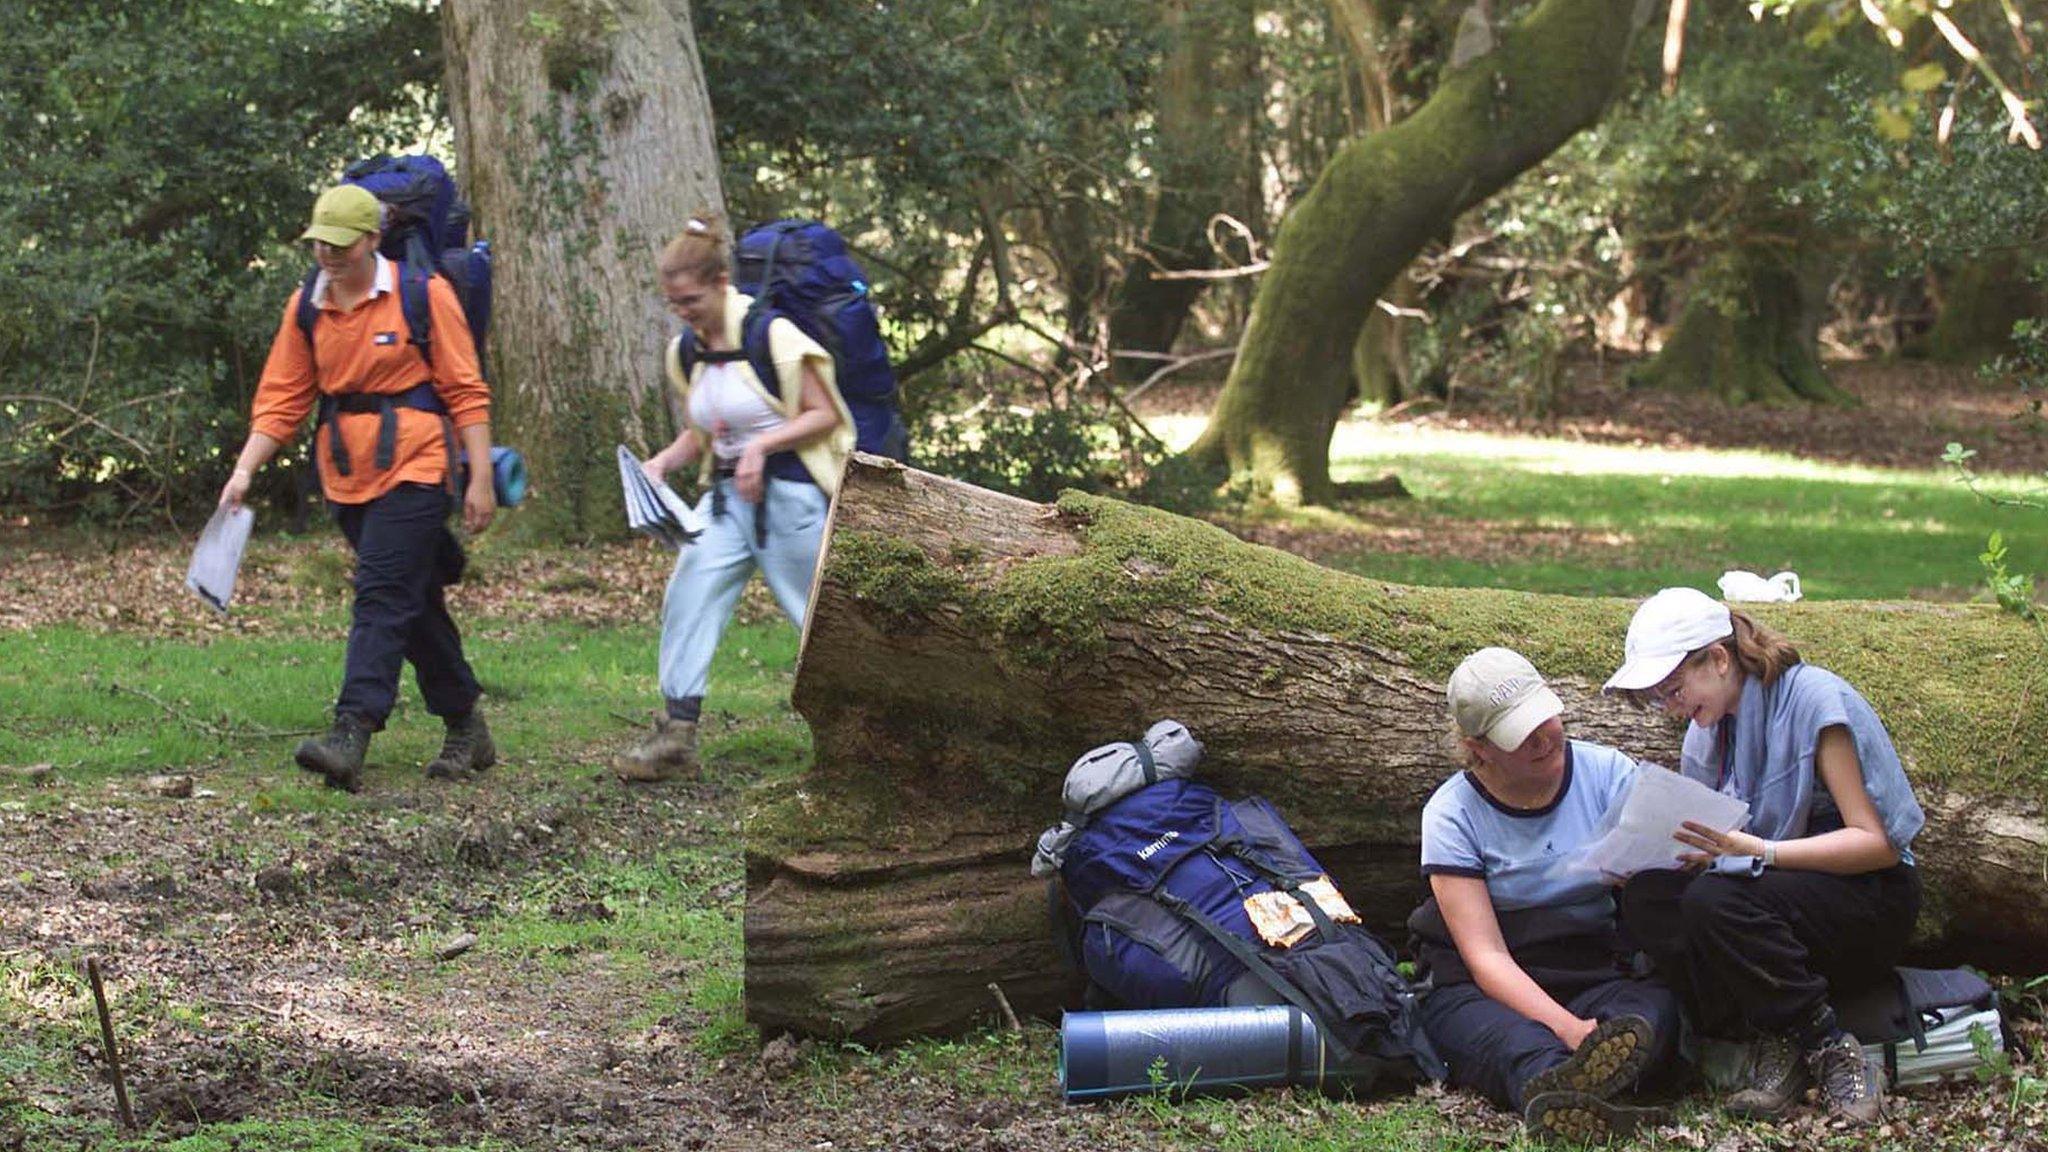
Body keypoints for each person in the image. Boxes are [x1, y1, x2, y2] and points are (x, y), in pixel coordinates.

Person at [1605, 587, 1924, 1126]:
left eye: (1674, 689)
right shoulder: (1706, 739)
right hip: (1771, 897)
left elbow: (1877, 844)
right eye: (1661, 697)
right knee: (1649, 898)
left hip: (1868, 897)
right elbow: (1724, 852)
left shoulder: (1814, 702)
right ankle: (1772, 1034)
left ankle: (1829, 1048)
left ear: (1720, 658)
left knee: (1715, 901)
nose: (1672, 706)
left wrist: (1760, 851)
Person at [219, 184, 498, 792]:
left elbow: (466, 391)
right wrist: (244, 470)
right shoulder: (307, 307)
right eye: (321, 243)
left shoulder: (423, 295)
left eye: (342, 244)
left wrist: (479, 477)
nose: (329, 254)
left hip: (419, 464)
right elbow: (282, 399)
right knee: (412, 598)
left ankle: (352, 731)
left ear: (373, 239)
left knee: (379, 592)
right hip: (346, 474)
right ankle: (465, 722)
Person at [615, 215, 852, 782]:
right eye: (673, 303)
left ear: (722, 282)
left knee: (813, 616)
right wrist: (662, 463)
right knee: (689, 594)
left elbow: (824, 414)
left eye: (690, 299)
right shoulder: (688, 352)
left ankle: (857, 734)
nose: (683, 312)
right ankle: (677, 735)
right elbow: (705, 429)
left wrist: (762, 447)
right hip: (724, 500)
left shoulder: (772, 335)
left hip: (789, 498)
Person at [1410, 648, 1680, 1143]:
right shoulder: (1452, 814)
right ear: (1480, 747)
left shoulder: (1608, 774)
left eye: (1545, 720)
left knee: (1652, 1015)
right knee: (1520, 1045)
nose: (1541, 740)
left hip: (1591, 964)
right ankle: (1560, 1090)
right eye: (1519, 736)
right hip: (1484, 982)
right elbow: (1486, 956)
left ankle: (1577, 1093)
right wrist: (1569, 1030)